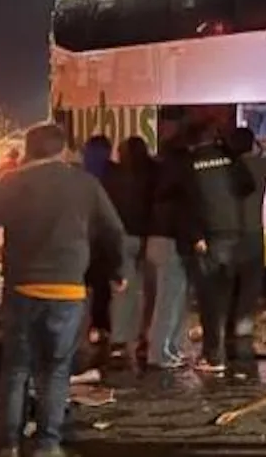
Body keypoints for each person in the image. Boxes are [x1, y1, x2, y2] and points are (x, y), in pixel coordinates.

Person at [0, 122, 128, 457]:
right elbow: (114, 230)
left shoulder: (13, 182)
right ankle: (48, 444)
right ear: (63, 149)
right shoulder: (85, 184)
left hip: (21, 288)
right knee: (55, 370)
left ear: (28, 150)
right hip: (67, 291)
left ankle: (9, 444)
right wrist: (117, 271)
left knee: (16, 369)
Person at [188, 123, 255, 372]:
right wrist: (230, 153)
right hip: (233, 235)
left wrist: (196, 235)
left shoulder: (191, 163)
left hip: (209, 237)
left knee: (208, 299)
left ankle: (213, 356)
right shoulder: (229, 160)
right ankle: (219, 352)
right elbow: (248, 186)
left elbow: (188, 201)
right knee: (224, 296)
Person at [227, 127, 266, 361]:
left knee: (228, 283)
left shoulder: (225, 166)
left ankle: (225, 328)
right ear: (252, 145)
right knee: (250, 284)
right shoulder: (260, 165)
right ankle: (242, 328)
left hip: (227, 234)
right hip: (253, 233)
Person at [146, 132, 199, 369]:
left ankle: (171, 348)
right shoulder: (181, 187)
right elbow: (183, 219)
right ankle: (159, 353)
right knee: (169, 301)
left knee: (172, 299)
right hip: (171, 244)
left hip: (156, 241)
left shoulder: (158, 179)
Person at [106, 136, 157, 363]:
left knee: (122, 290)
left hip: (122, 238)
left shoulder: (112, 176)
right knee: (149, 290)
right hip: (148, 236)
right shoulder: (152, 174)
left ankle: (119, 339)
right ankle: (144, 335)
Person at [80, 135, 119, 345]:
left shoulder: (79, 175)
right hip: (102, 236)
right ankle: (99, 325)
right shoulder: (114, 173)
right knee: (102, 284)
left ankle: (83, 327)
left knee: (83, 282)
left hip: (81, 235)